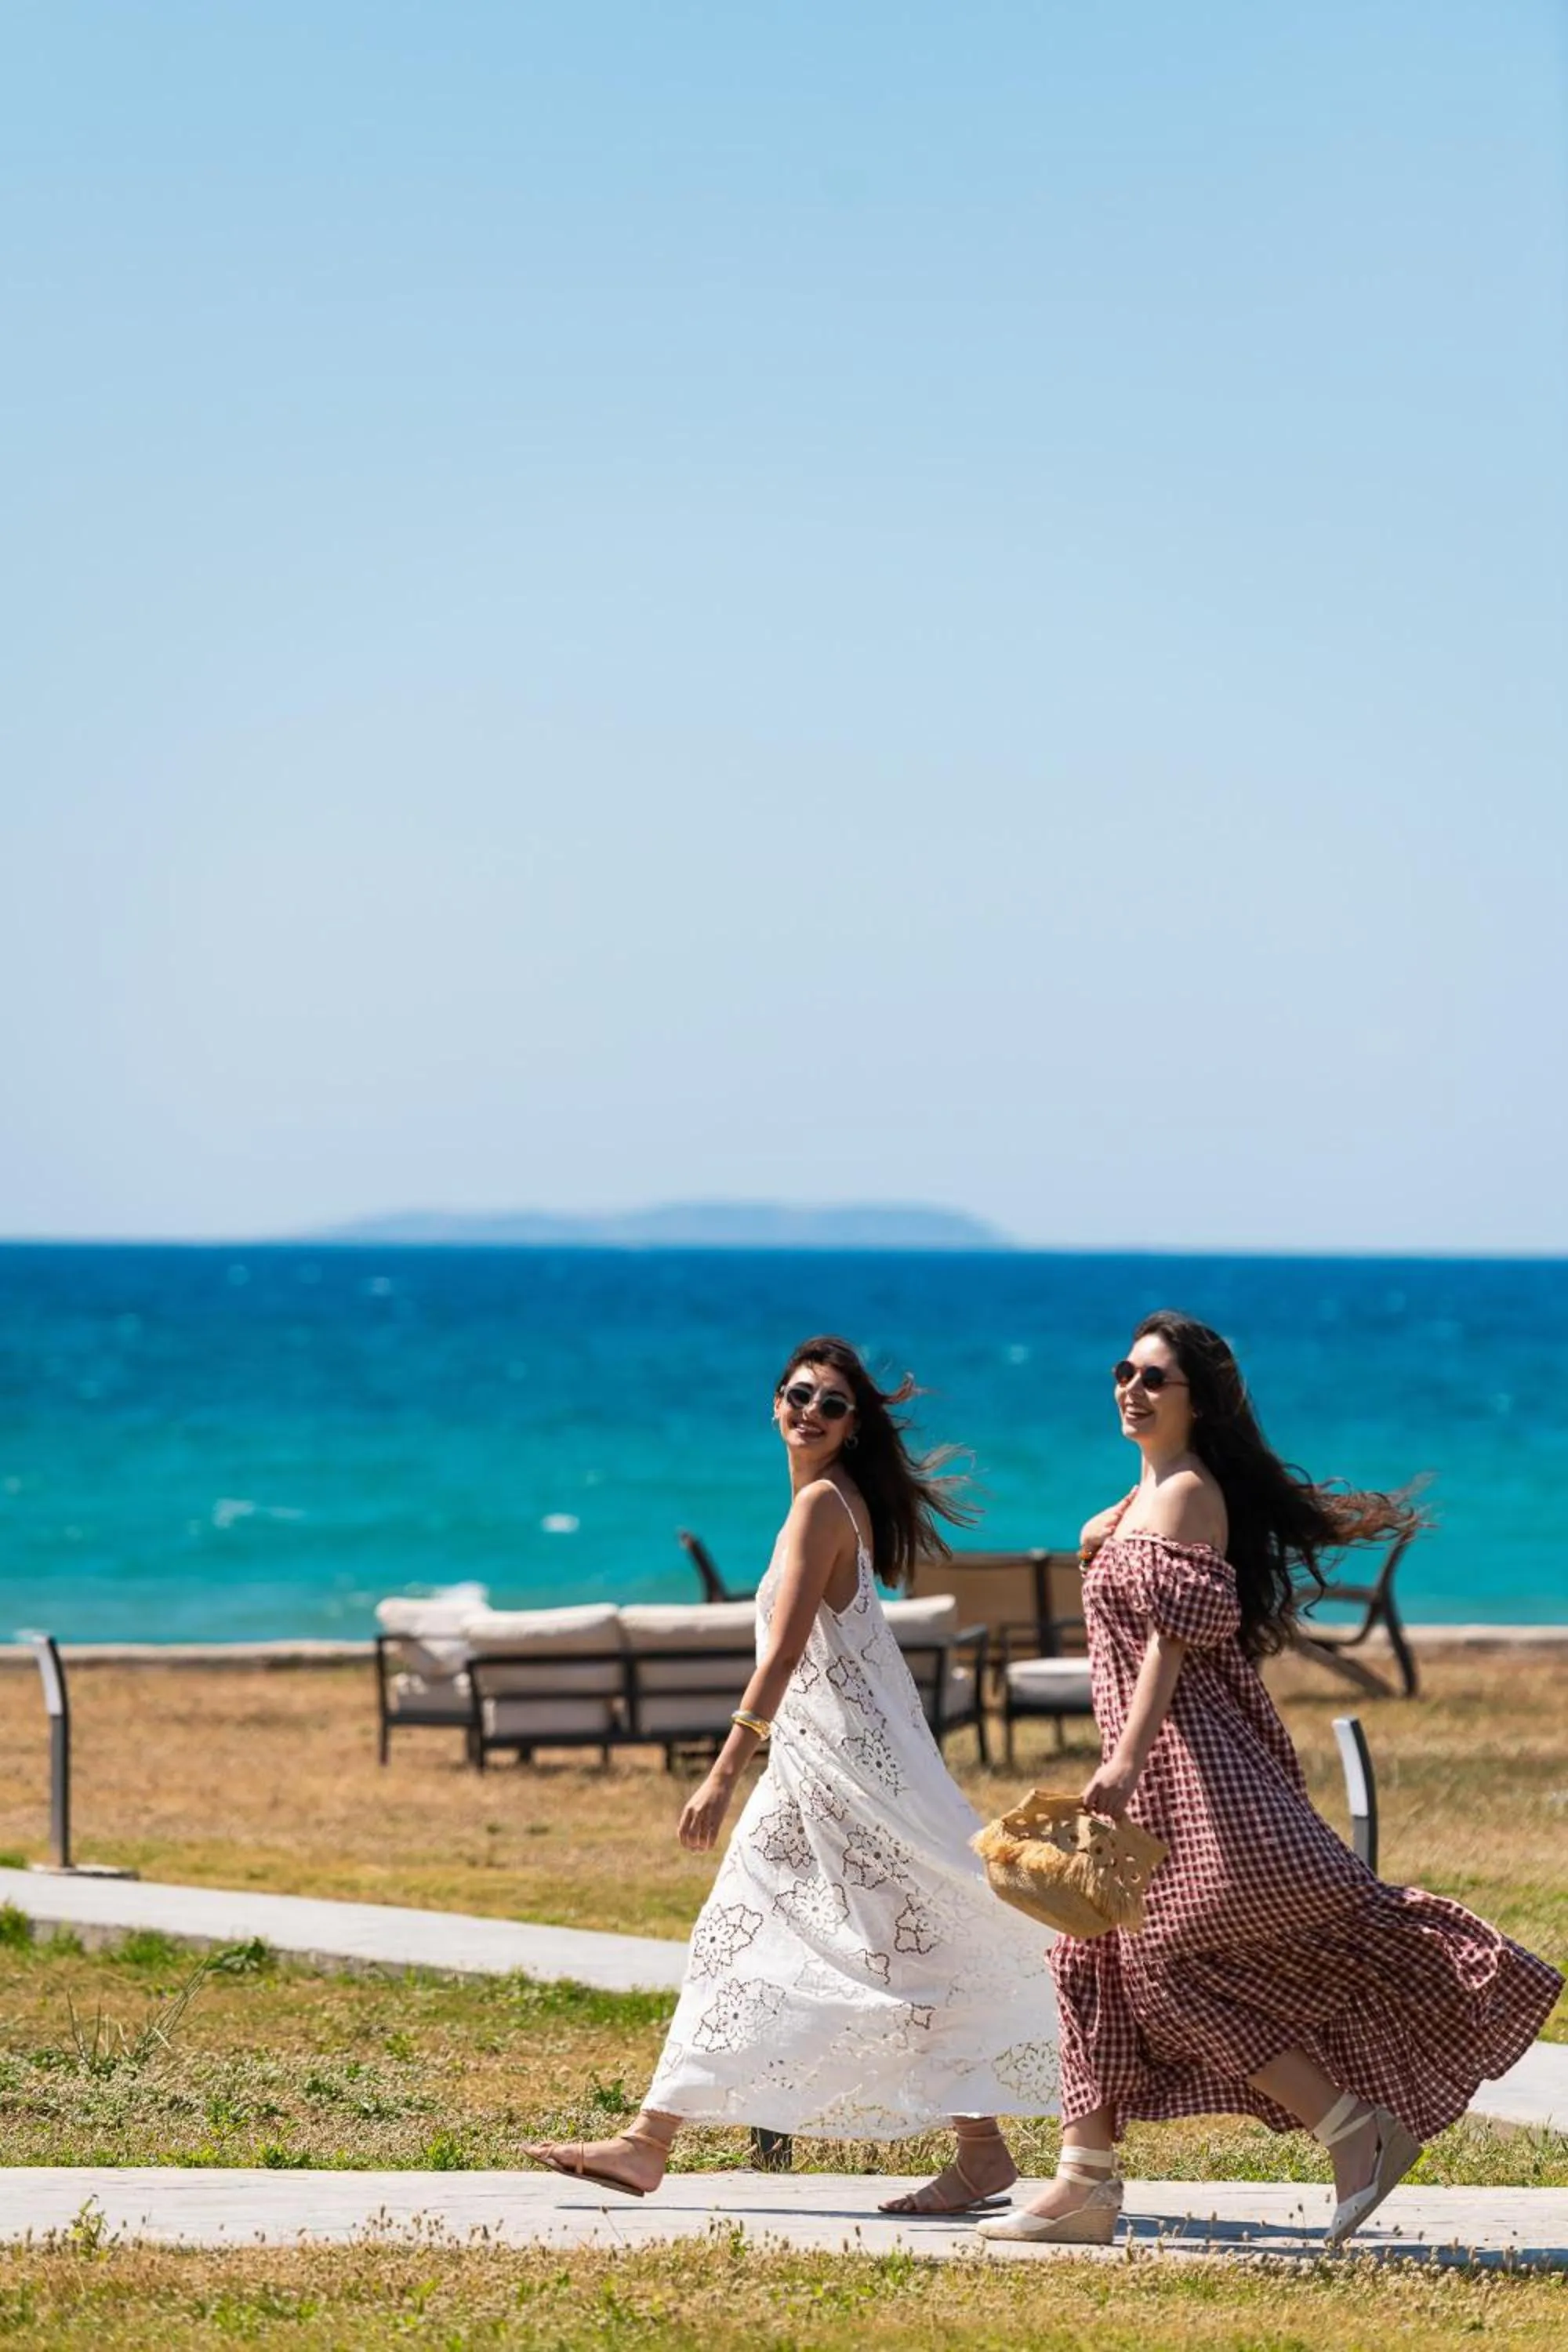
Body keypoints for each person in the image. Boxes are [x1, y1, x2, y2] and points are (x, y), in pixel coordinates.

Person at [978, 1310, 1563, 2249]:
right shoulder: (1138, 1503)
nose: (1130, 1388)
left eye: (1153, 1379)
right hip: (1162, 1770)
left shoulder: (1181, 1497)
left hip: (1199, 1774)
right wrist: (1103, 1535)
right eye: (1123, 1371)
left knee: (1164, 1965)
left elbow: (1169, 1644)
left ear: (1197, 1402)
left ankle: (1351, 2127)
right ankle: (1083, 2182)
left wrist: (1122, 1761)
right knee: (1089, 1954)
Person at [528, 1334, 1059, 2210]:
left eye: (829, 1404)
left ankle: (651, 2142)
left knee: (913, 1948)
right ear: (773, 1403)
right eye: (796, 1395)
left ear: (852, 1428)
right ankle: (651, 2140)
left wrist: (720, 1772)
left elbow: (778, 1660)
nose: (807, 1412)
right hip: (815, 1773)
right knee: (811, 1941)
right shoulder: (820, 1503)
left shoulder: (821, 1510)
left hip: (850, 1780)